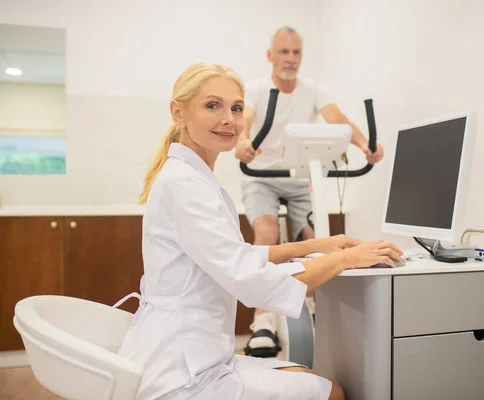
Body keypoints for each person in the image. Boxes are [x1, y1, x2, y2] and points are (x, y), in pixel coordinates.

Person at [116, 62, 403, 400]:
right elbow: (250, 281)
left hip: (193, 350)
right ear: (178, 112)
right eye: (213, 106)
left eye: (236, 108)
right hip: (181, 371)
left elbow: (235, 256)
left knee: (303, 372)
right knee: (333, 393)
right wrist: (347, 260)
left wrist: (318, 246)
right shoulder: (185, 185)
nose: (229, 119)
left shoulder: (194, 178)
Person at [234, 26, 385, 358]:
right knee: (267, 231)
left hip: (301, 174)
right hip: (261, 175)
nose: (290, 59)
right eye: (284, 51)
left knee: (318, 236)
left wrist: (365, 145)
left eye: (296, 52)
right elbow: (246, 118)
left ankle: (319, 306)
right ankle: (264, 322)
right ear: (269, 55)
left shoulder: (313, 90)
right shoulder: (257, 90)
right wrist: (243, 142)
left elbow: (337, 118)